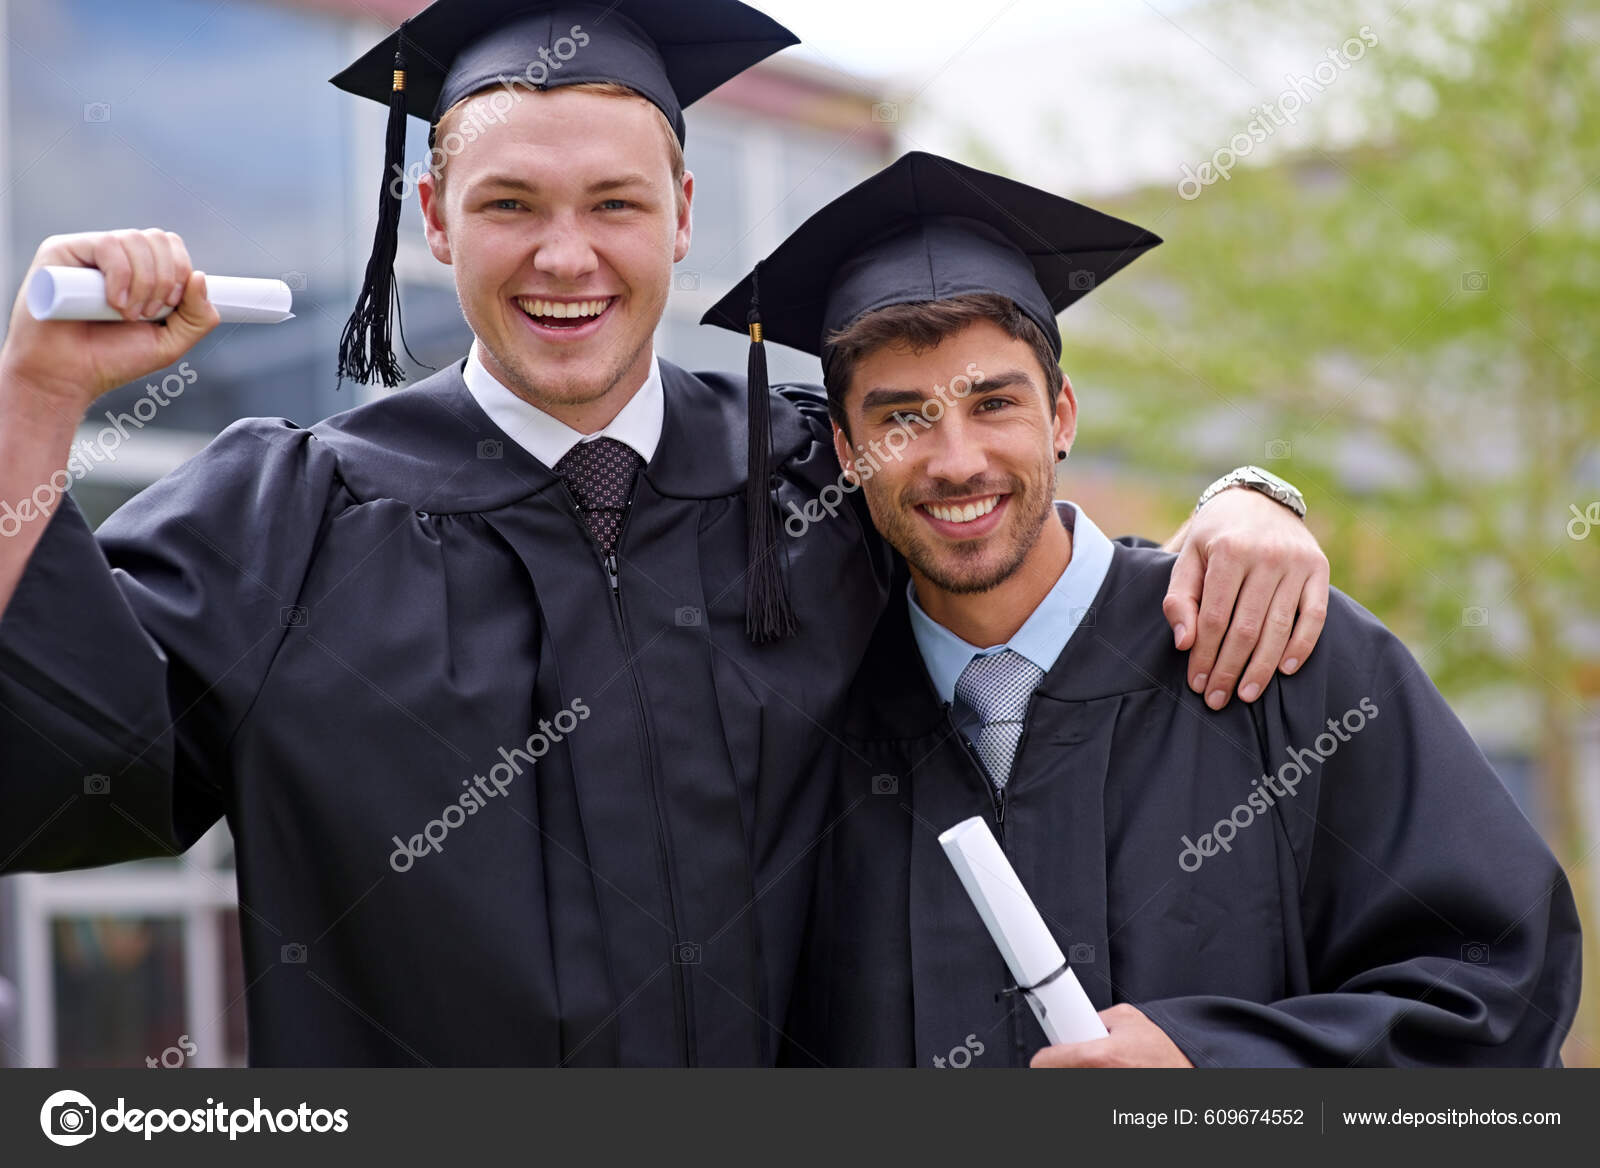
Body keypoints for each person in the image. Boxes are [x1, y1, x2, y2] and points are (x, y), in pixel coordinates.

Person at [0, 5, 1324, 1066]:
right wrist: (36, 399)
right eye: (511, 205)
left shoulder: (830, 479)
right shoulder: (287, 520)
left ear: (684, 215)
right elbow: (58, 781)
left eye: (615, 206)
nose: (565, 256)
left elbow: (1038, 562)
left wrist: (1251, 502)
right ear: (434, 222)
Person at [705, 152, 1583, 1068]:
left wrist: (1221, 1073)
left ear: (1063, 416)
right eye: (901, 419)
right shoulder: (812, 714)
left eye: (994, 403)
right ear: (846, 447)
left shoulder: (1273, 654)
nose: (956, 460)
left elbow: (1494, 997)